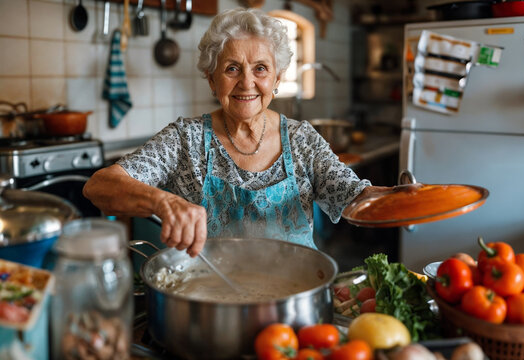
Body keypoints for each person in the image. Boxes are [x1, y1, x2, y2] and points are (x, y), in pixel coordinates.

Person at [83, 8, 389, 258]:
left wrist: (404, 197)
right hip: (210, 306)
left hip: (292, 305)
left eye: (260, 68)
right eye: (231, 69)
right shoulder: (184, 139)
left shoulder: (302, 140)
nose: (246, 83)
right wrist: (163, 202)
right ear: (211, 80)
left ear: (277, 78)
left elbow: (357, 196)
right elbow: (99, 186)